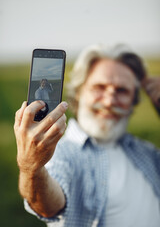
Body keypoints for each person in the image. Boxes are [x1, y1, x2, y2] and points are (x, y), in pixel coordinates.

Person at [14, 45, 160, 227]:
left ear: (133, 101)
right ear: (79, 92)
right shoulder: (61, 152)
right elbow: (48, 206)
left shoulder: (145, 151)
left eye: (122, 91)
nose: (108, 101)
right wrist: (31, 168)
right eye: (99, 87)